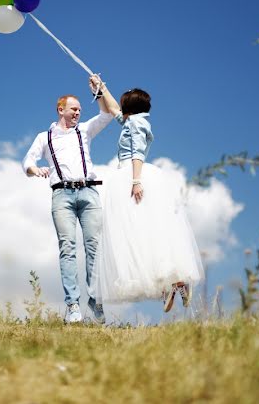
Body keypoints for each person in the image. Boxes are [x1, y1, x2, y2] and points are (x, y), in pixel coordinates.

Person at [91, 77, 204, 312]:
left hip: (132, 176)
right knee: (145, 233)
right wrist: (101, 89)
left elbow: (138, 152)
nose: (120, 108)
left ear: (129, 107)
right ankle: (173, 284)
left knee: (139, 233)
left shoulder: (136, 125)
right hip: (131, 175)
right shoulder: (133, 120)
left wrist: (135, 181)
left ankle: (174, 283)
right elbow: (113, 110)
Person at [22, 77, 114, 324]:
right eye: (74, 109)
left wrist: (100, 91)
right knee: (68, 248)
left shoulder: (84, 130)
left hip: (89, 192)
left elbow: (107, 115)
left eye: (80, 110)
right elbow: (27, 162)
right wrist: (36, 170)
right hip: (61, 194)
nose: (78, 113)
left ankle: (95, 303)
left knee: (94, 247)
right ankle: (73, 305)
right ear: (60, 109)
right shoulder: (45, 137)